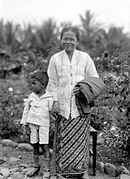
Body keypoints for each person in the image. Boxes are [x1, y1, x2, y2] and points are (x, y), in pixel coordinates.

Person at [47, 26, 101, 179]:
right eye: (66, 38)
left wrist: (83, 89)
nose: (68, 42)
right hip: (63, 107)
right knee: (63, 140)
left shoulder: (85, 58)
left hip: (80, 107)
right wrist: (55, 102)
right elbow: (52, 83)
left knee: (81, 141)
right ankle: (62, 172)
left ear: (77, 41)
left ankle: (83, 171)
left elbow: (94, 79)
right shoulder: (55, 59)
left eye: (72, 39)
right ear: (61, 39)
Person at [20, 70, 53, 178]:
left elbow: (52, 112)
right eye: (31, 83)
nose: (31, 86)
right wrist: (24, 124)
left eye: (34, 83)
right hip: (32, 125)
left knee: (45, 146)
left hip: (43, 125)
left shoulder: (49, 98)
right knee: (34, 145)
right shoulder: (32, 96)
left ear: (43, 85)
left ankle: (47, 169)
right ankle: (36, 165)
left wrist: (54, 119)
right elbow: (26, 110)